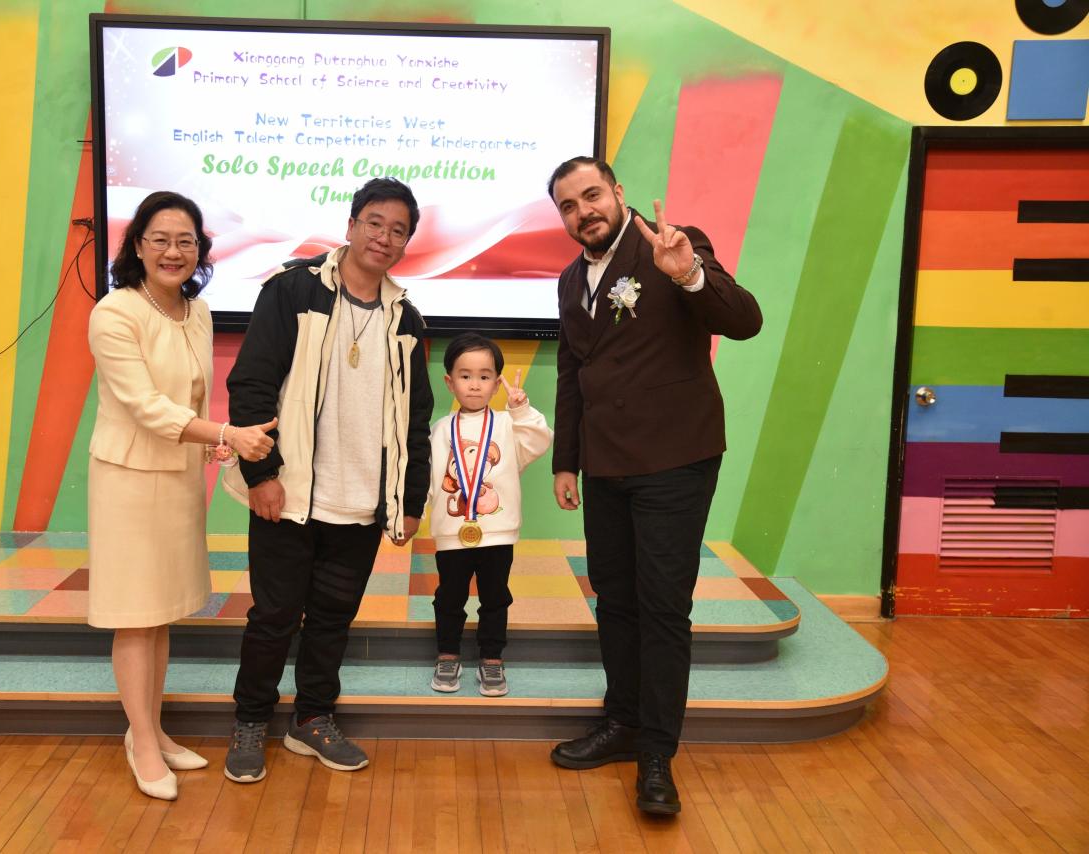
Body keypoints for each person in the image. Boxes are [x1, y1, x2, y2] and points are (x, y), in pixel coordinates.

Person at [545, 157, 762, 815]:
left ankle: (657, 755)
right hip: (605, 464)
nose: (583, 211)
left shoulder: (672, 246)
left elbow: (744, 319)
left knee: (662, 606)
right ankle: (623, 723)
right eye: (568, 205)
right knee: (614, 600)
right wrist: (565, 460)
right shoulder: (569, 279)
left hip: (675, 459)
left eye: (591, 195)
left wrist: (689, 274)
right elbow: (573, 371)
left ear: (617, 192)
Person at [221, 177, 434, 783]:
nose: (384, 237)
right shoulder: (293, 290)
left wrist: (408, 499)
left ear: (406, 243)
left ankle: (312, 719)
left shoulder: (406, 318)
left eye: (397, 230)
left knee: (333, 621)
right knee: (273, 617)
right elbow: (252, 385)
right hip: (287, 495)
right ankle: (250, 721)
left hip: (362, 501)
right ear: (351, 225)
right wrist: (261, 474)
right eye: (374, 223)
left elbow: (415, 418)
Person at [87, 191, 276, 801]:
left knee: (161, 609)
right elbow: (144, 405)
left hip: (177, 476)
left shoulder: (197, 310)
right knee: (134, 614)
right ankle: (141, 741)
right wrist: (225, 435)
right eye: (161, 240)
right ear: (137, 245)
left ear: (200, 249)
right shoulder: (115, 312)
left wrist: (210, 443)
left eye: (186, 241)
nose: (174, 252)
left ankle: (152, 728)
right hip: (128, 479)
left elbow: (190, 395)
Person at [427, 334, 552, 697]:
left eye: (484, 376)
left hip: (498, 532)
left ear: (497, 383)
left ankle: (492, 658)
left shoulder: (508, 424)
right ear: (449, 381)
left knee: (495, 597)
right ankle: (447, 654)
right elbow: (430, 481)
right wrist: (408, 514)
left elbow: (539, 440)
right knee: (449, 597)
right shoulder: (440, 429)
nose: (474, 384)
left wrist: (521, 410)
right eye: (465, 375)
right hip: (452, 532)